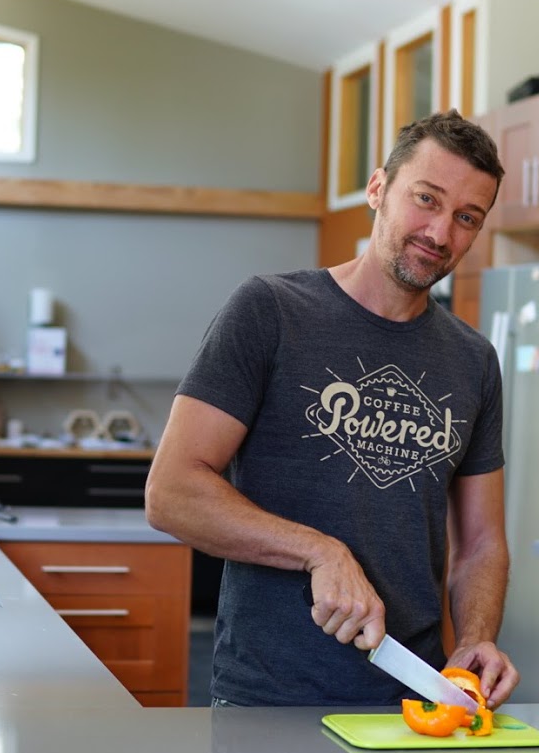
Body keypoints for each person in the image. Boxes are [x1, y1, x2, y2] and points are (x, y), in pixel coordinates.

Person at [145, 110, 519, 708]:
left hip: (410, 703)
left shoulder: (473, 360)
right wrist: (319, 551)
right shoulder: (269, 311)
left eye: (466, 217)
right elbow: (171, 493)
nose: (440, 232)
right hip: (267, 700)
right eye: (426, 199)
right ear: (378, 189)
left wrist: (476, 638)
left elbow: (480, 543)